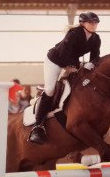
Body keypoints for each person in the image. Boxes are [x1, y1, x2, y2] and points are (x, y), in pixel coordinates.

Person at [29, 12, 101, 144]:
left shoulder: (96, 39)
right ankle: (37, 127)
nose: (94, 25)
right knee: (50, 89)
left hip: (71, 63)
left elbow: (95, 58)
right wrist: (81, 65)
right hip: (55, 61)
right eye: (91, 22)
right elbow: (64, 56)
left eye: (96, 23)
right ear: (83, 23)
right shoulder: (74, 34)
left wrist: (94, 66)